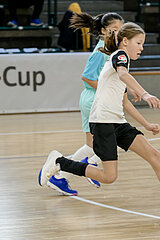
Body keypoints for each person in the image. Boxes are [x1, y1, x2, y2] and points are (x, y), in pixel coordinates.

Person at [38, 22, 160, 218]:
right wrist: (145, 94)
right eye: (139, 43)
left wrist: (146, 124)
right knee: (109, 177)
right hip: (103, 122)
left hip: (118, 123)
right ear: (125, 41)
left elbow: (125, 103)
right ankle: (59, 162)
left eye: (143, 44)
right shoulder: (119, 56)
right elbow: (123, 73)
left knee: (155, 156)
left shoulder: (118, 65)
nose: (141, 48)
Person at [46, 12, 125, 196]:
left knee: (92, 146)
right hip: (94, 100)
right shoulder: (102, 50)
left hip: (96, 100)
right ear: (104, 30)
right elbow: (87, 77)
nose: (118, 34)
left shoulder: (110, 48)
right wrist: (109, 90)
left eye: (121, 31)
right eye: (114, 30)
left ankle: (61, 177)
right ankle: (90, 164)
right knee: (116, 140)